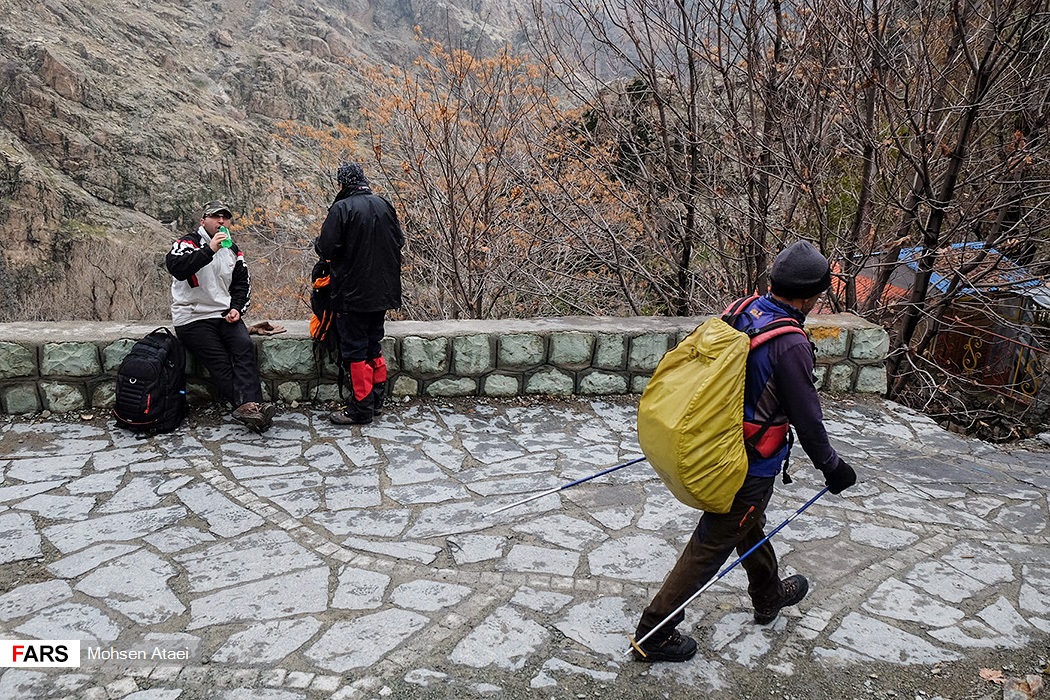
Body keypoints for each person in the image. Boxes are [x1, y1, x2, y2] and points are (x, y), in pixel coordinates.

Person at [632, 241, 858, 662]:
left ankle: (768, 595)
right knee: (713, 541)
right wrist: (833, 467)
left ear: (773, 281)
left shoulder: (744, 310)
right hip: (749, 462)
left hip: (720, 442)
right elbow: (807, 420)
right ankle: (654, 631)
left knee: (747, 523)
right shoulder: (790, 343)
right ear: (813, 295)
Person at [165, 200, 277, 433]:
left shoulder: (232, 249)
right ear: (203, 220)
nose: (221, 221)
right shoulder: (188, 243)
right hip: (192, 316)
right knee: (220, 361)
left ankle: (251, 407)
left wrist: (237, 308)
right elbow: (177, 266)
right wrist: (209, 250)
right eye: (216, 217)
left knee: (244, 347)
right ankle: (249, 407)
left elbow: (242, 283)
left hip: (223, 314)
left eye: (225, 217)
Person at [314, 162, 404, 425]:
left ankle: (360, 409)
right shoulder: (384, 204)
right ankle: (375, 402)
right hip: (383, 293)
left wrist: (319, 245)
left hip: (351, 295)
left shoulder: (341, 208)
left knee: (354, 351)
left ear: (342, 184)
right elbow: (399, 241)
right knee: (374, 347)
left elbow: (327, 249)